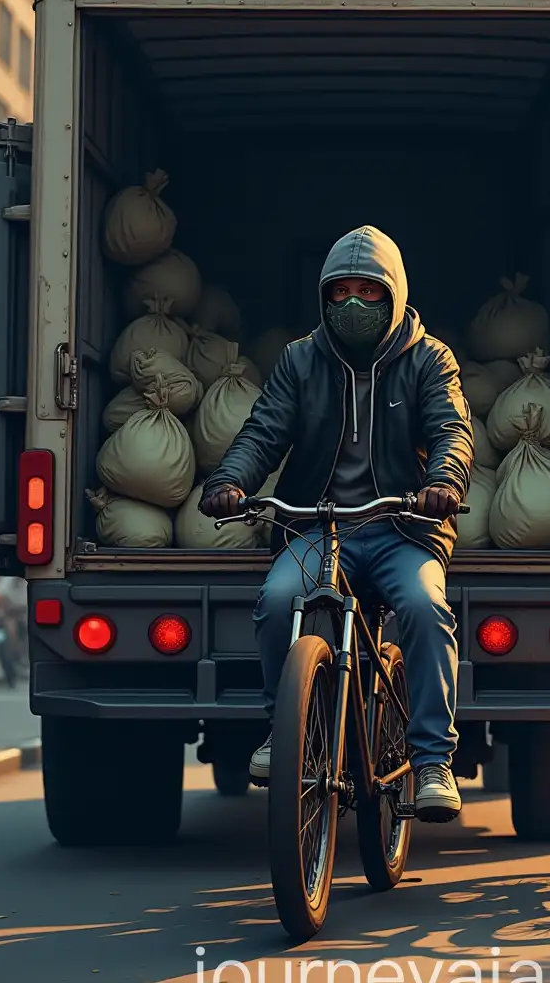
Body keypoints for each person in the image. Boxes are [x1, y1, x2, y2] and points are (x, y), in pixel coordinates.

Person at [199, 225, 474, 822]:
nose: (353, 304)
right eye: (340, 292)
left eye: (368, 292)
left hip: (404, 529)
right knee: (277, 601)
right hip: (317, 528)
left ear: (393, 294)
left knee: (425, 607)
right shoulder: (301, 359)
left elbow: (451, 429)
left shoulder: (429, 359)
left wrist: (445, 482)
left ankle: (433, 761)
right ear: (323, 296)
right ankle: (284, 730)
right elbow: (264, 430)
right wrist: (230, 481)